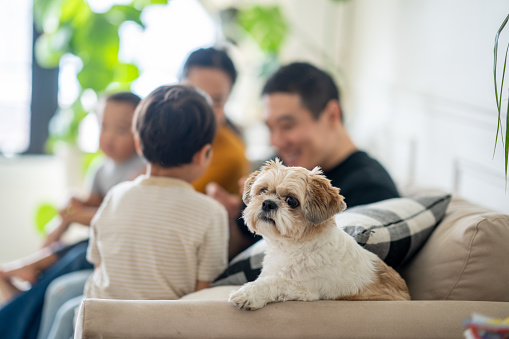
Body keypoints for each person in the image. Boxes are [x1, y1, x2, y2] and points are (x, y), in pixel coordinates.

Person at [46, 84, 229, 338]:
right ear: (203, 154)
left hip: (96, 327)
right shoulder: (211, 213)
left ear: (139, 146)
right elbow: (202, 295)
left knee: (71, 309)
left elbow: (101, 268)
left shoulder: (114, 197)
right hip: (158, 330)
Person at [208, 62, 400, 259]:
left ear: (332, 115)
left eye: (287, 125)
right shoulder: (279, 167)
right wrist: (230, 218)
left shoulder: (370, 190)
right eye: (271, 128)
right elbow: (234, 250)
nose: (275, 141)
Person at [0, 92, 145, 339]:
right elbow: (89, 201)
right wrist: (70, 206)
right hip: (96, 246)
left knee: (79, 252)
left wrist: (72, 217)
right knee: (73, 255)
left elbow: (111, 215)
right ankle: (33, 275)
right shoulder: (102, 167)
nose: (108, 136)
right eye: (103, 126)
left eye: (120, 129)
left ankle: (27, 283)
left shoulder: (141, 169)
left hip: (119, 250)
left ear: (140, 134)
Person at [180, 47, 250, 196]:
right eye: (194, 97)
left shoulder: (232, 157)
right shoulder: (152, 129)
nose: (204, 111)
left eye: (216, 101)